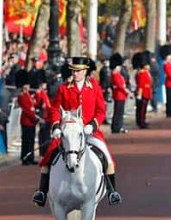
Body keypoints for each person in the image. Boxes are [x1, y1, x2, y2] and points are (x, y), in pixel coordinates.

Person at [33, 57, 122, 207]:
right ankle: (41, 192)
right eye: (73, 71)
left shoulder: (94, 87)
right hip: (69, 132)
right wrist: (56, 126)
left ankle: (112, 192)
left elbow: (101, 110)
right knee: (47, 159)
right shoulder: (64, 88)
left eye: (78, 71)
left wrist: (93, 125)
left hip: (90, 132)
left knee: (108, 160)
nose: (75, 74)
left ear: (85, 71)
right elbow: (55, 109)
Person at [16, 70, 38, 165]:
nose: (29, 86)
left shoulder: (28, 95)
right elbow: (27, 110)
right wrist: (35, 118)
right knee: (26, 141)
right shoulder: (22, 96)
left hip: (31, 121)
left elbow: (32, 107)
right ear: (23, 85)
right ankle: (25, 158)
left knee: (31, 141)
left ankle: (30, 157)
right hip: (26, 121)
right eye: (27, 84)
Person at [110, 53, 129, 134]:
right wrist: (127, 91)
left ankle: (118, 126)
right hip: (119, 95)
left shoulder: (117, 74)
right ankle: (117, 127)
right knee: (118, 113)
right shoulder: (115, 75)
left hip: (120, 95)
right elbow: (121, 85)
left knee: (119, 112)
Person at [135, 52, 153, 129]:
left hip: (147, 92)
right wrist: (139, 94)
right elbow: (141, 85)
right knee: (141, 109)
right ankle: (141, 122)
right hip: (143, 93)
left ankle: (143, 121)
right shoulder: (142, 73)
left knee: (144, 109)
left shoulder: (146, 73)